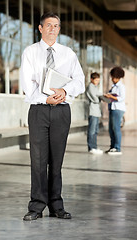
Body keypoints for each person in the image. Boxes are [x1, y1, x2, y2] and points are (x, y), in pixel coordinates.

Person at [20, 12, 85, 221]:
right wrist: (44, 98)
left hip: (62, 111)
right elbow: (26, 84)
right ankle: (36, 206)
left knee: (56, 161)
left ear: (59, 29)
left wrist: (65, 92)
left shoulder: (68, 54)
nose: (52, 29)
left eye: (56, 26)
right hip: (39, 110)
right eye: (48, 25)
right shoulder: (30, 52)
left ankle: (56, 205)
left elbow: (80, 81)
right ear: (40, 28)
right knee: (38, 160)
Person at [104, 66, 126, 155]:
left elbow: (121, 98)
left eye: (113, 77)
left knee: (116, 128)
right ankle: (112, 147)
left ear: (118, 77)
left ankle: (117, 148)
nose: (112, 79)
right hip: (112, 108)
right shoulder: (114, 86)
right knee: (111, 129)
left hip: (118, 109)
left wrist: (110, 96)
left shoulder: (121, 86)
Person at [86, 72, 103, 154]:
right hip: (92, 111)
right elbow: (95, 99)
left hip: (96, 112)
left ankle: (95, 147)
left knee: (95, 130)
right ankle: (91, 147)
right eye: (96, 80)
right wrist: (100, 97)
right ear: (91, 79)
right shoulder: (90, 87)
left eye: (98, 80)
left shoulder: (95, 87)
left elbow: (98, 95)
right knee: (92, 131)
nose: (97, 82)